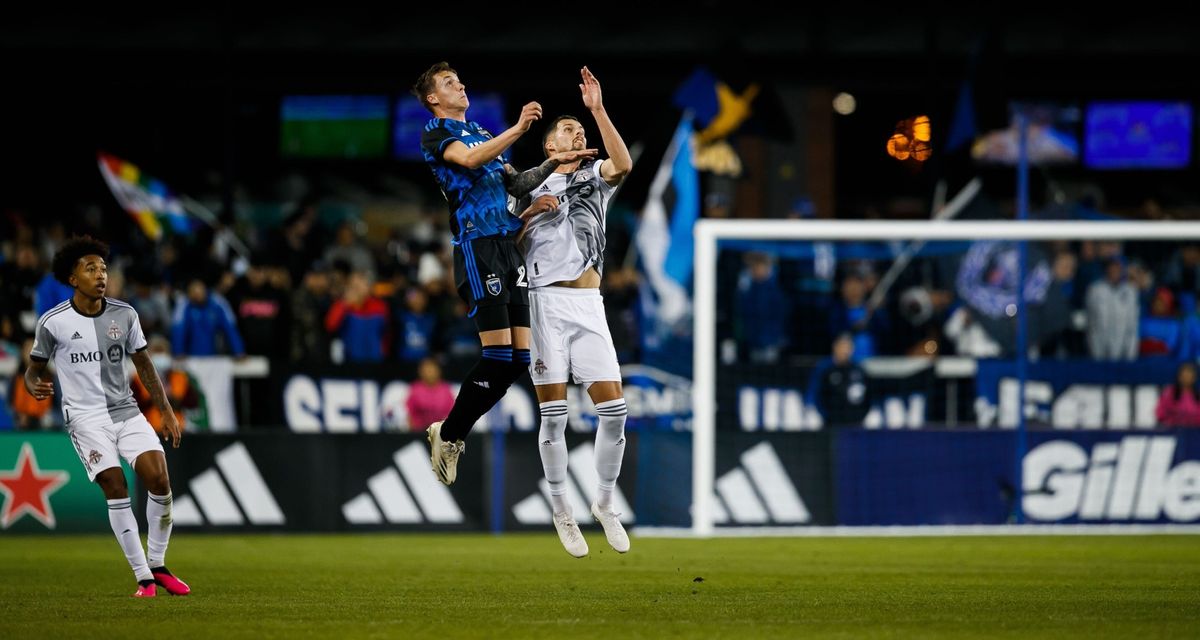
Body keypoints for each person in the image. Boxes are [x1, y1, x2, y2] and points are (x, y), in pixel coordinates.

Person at [411, 61, 596, 484]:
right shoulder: (438, 133)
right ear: (433, 99)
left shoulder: (480, 131)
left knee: (517, 361)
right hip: (478, 248)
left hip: (507, 246)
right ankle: (452, 433)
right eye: (448, 83)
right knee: (496, 354)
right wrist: (517, 129)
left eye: (459, 79)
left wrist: (558, 161)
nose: (460, 84)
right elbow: (472, 160)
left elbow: (516, 183)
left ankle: (450, 433)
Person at [24, 236, 189, 597]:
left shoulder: (125, 314)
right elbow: (32, 369)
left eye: (103, 268)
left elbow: (144, 365)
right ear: (73, 278)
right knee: (116, 486)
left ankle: (158, 565)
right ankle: (143, 577)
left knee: (159, 479)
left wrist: (165, 410)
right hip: (85, 418)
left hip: (126, 411)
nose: (101, 275)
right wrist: (33, 383)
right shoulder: (53, 323)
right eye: (90, 268)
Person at [517, 66, 632, 557]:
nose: (576, 133)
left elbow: (622, 164)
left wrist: (598, 110)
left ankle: (604, 504)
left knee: (615, 412)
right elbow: (504, 242)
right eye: (567, 129)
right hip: (545, 302)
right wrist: (529, 215)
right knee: (555, 417)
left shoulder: (593, 179)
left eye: (579, 129)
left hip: (588, 302)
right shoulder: (524, 187)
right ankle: (562, 510)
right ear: (548, 146)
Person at [406, 357, 455, 430]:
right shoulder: (415, 389)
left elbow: (452, 415)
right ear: (420, 372)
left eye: (432, 370)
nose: (429, 373)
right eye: (426, 370)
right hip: (418, 431)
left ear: (439, 371)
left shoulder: (446, 390)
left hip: (441, 433)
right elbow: (409, 414)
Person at [1155, 362, 1200, 427]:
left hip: (1196, 432)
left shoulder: (1198, 394)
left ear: (1194, 378)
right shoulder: (1169, 392)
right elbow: (1160, 413)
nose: (1186, 378)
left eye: (1189, 376)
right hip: (1172, 430)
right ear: (1179, 377)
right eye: (1184, 376)